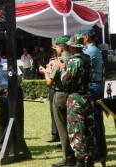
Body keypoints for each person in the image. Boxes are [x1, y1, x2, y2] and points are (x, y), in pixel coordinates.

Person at [57, 34, 97, 167]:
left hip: (75, 99)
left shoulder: (75, 61)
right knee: (88, 129)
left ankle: (80, 161)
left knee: (76, 131)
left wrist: (63, 69)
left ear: (72, 47)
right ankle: (90, 159)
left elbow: (65, 81)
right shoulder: (87, 59)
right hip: (87, 96)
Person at [39, 37, 75, 167]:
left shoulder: (59, 61)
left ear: (61, 47)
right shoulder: (75, 59)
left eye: (57, 48)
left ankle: (67, 159)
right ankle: (75, 155)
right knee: (73, 127)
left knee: (62, 128)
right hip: (73, 95)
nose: (56, 50)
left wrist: (44, 72)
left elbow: (49, 83)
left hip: (60, 95)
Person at [0, 46, 24, 152]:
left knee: (17, 118)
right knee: (2, 119)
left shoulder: (9, 63)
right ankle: (2, 144)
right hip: (3, 93)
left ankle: (18, 143)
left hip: (15, 92)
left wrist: (12, 90)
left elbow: (19, 77)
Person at [80, 27, 107, 166]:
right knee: (97, 120)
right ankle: (100, 153)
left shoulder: (89, 51)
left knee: (93, 121)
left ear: (85, 37)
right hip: (98, 85)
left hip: (93, 87)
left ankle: (97, 153)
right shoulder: (95, 49)